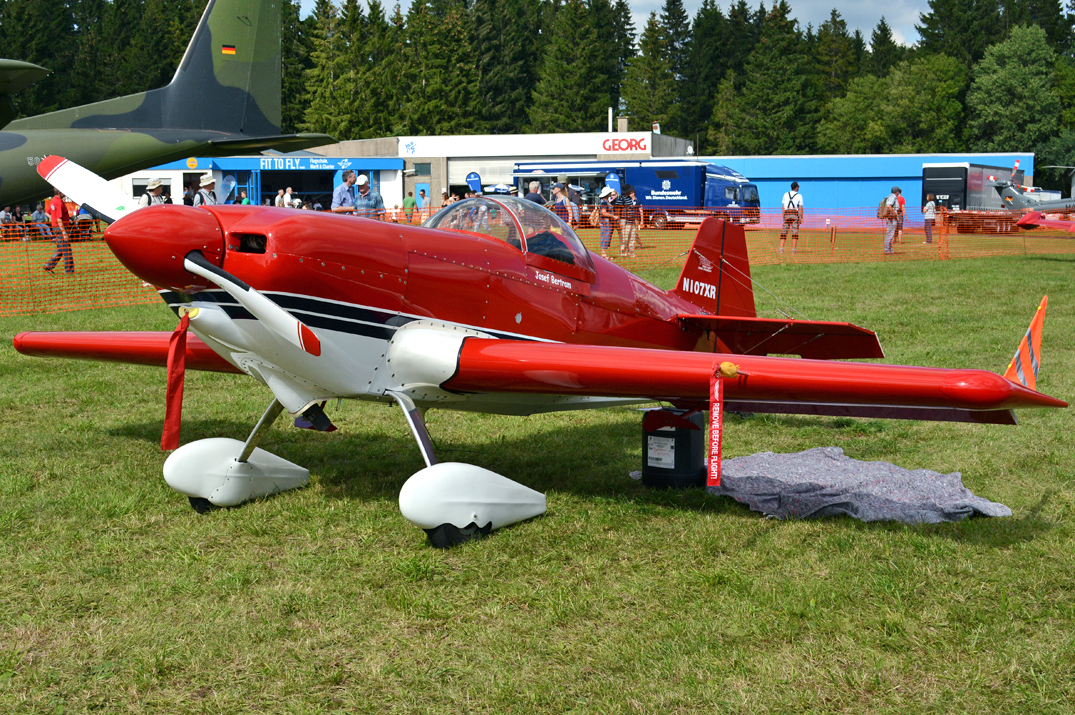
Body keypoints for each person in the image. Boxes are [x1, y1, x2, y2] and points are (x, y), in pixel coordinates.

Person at [43, 188, 74, 274]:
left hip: (56, 227)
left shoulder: (54, 200)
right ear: (59, 192)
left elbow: (47, 213)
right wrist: (64, 232)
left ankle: (48, 266)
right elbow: (59, 219)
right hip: (60, 228)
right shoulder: (59, 203)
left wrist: (53, 219)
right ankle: (69, 270)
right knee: (66, 249)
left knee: (61, 248)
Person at [780, 181, 803, 254]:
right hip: (794, 214)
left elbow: (783, 206)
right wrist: (801, 217)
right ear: (796, 187)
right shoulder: (799, 196)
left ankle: (781, 249)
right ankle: (793, 250)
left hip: (787, 213)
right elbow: (800, 208)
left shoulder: (786, 194)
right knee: (795, 232)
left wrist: (783, 216)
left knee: (784, 232)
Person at [612, 186, 633, 256]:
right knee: (623, 237)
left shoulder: (629, 198)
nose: (631, 191)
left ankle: (630, 252)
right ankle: (623, 252)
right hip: (623, 220)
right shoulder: (620, 199)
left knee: (630, 236)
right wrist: (619, 221)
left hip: (630, 220)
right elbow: (617, 210)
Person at [598, 185, 616, 259]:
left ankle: (604, 254)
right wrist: (613, 216)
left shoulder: (605, 201)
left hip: (607, 222)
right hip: (605, 223)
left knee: (607, 237)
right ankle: (604, 254)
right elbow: (603, 212)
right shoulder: (604, 202)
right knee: (605, 237)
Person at [625, 186, 643, 257]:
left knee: (634, 233)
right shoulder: (627, 201)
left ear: (634, 193)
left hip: (635, 219)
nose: (630, 194)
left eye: (631, 193)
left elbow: (641, 211)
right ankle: (628, 246)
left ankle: (639, 243)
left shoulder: (638, 201)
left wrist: (642, 220)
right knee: (628, 233)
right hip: (628, 218)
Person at [882, 186, 899, 254]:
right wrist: (894, 213)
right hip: (892, 218)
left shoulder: (891, 196)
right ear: (897, 192)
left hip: (891, 218)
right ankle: (887, 250)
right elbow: (889, 205)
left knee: (891, 234)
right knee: (890, 234)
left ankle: (890, 249)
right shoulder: (893, 197)